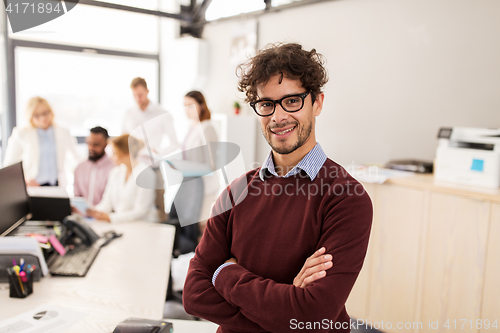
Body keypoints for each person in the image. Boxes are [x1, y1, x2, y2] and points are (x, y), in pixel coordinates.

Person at [183, 43, 373, 332]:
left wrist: (225, 273)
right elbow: (194, 295)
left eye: (292, 101)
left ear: (317, 102)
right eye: (267, 104)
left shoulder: (347, 198)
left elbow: (313, 316)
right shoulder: (236, 190)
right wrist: (284, 312)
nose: (278, 117)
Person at [3, 96, 79, 187]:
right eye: (37, 115)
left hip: (58, 185)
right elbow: (9, 165)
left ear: (51, 112)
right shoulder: (21, 134)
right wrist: (25, 181)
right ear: (30, 116)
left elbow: (76, 158)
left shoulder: (63, 132)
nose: (43, 118)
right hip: (33, 186)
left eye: (45, 113)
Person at [87, 134, 157, 223]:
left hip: (142, 224)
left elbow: (141, 211)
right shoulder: (116, 172)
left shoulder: (146, 174)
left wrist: (110, 218)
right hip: (121, 224)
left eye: (115, 153)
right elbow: (107, 203)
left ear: (128, 154)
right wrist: (92, 212)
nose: (112, 157)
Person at [183, 91, 220, 233]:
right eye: (184, 106)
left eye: (190, 105)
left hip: (206, 187)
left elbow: (212, 164)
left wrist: (185, 167)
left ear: (202, 106)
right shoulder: (192, 127)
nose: (187, 110)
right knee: (193, 229)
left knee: (202, 228)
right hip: (193, 185)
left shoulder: (207, 127)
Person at [122, 77, 180, 157]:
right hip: (133, 163)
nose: (137, 99)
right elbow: (123, 137)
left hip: (153, 163)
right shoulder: (128, 113)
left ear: (147, 91)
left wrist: (159, 152)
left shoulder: (162, 114)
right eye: (134, 95)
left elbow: (175, 144)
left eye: (140, 95)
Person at [73, 126, 114, 207]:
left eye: (96, 145)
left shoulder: (114, 168)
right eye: (88, 143)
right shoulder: (79, 168)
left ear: (106, 144)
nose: (90, 148)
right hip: (82, 216)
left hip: (105, 216)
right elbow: (76, 198)